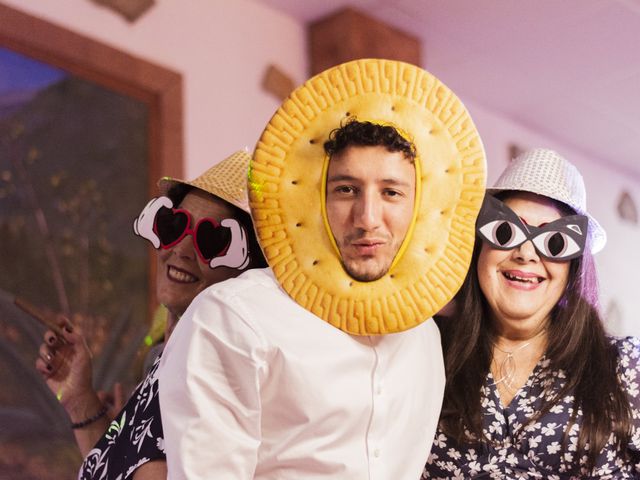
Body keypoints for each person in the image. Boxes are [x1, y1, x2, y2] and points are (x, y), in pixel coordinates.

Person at [159, 59, 487, 479]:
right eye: (346, 190)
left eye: (391, 192)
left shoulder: (423, 337)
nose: (367, 217)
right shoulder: (234, 317)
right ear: (317, 199)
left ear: (419, 208)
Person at [35, 150, 267, 479]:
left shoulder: (211, 368)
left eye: (212, 240)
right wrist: (79, 399)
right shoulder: (162, 361)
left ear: (247, 271)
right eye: (174, 226)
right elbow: (116, 469)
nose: (182, 251)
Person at [423, 148, 640, 479]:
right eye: (505, 232)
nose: (526, 254)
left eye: (553, 242)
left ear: (573, 266)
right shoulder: (426, 351)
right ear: (479, 246)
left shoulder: (625, 368)